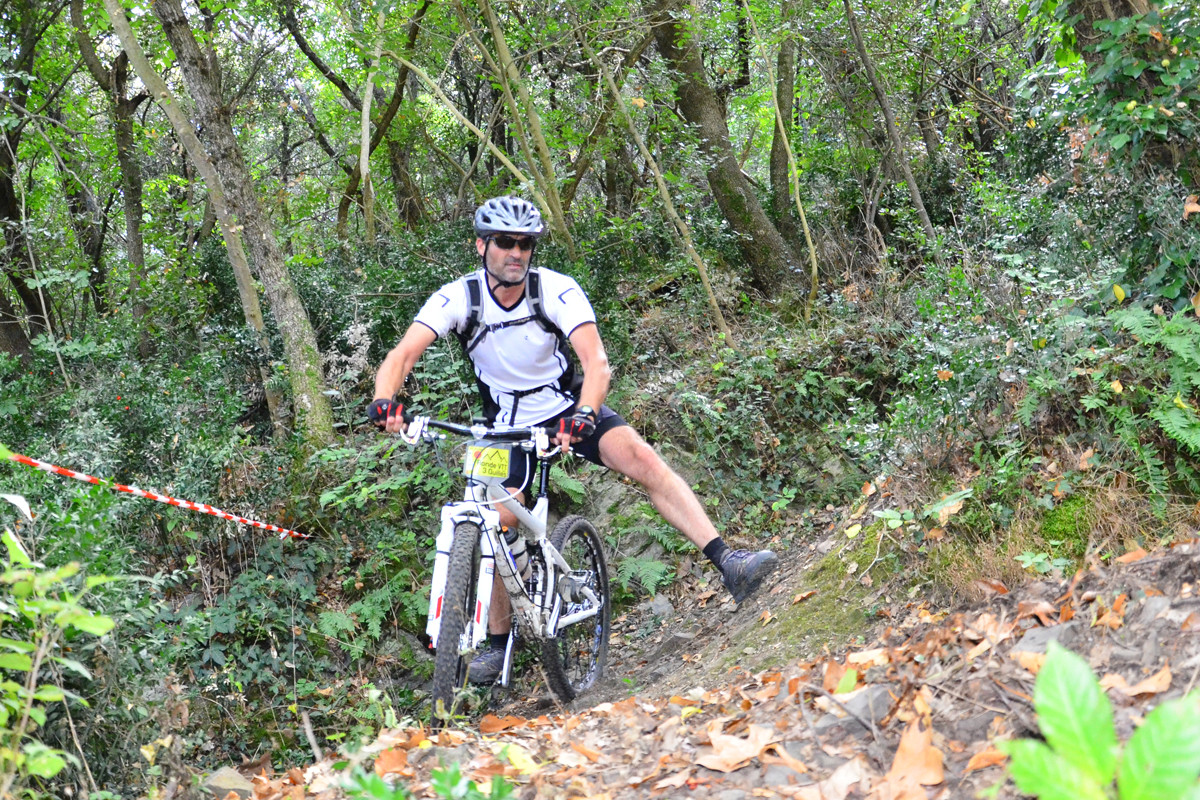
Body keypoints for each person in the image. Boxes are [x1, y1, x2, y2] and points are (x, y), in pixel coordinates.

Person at [367, 196, 778, 684]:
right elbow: (403, 354)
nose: (515, 252)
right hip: (504, 427)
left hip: (567, 410)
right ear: (481, 245)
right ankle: (499, 645)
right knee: (488, 520)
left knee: (643, 459)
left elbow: (596, 362)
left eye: (525, 243)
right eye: (504, 242)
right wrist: (385, 400)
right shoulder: (459, 298)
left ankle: (729, 562)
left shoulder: (556, 291)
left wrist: (584, 414)